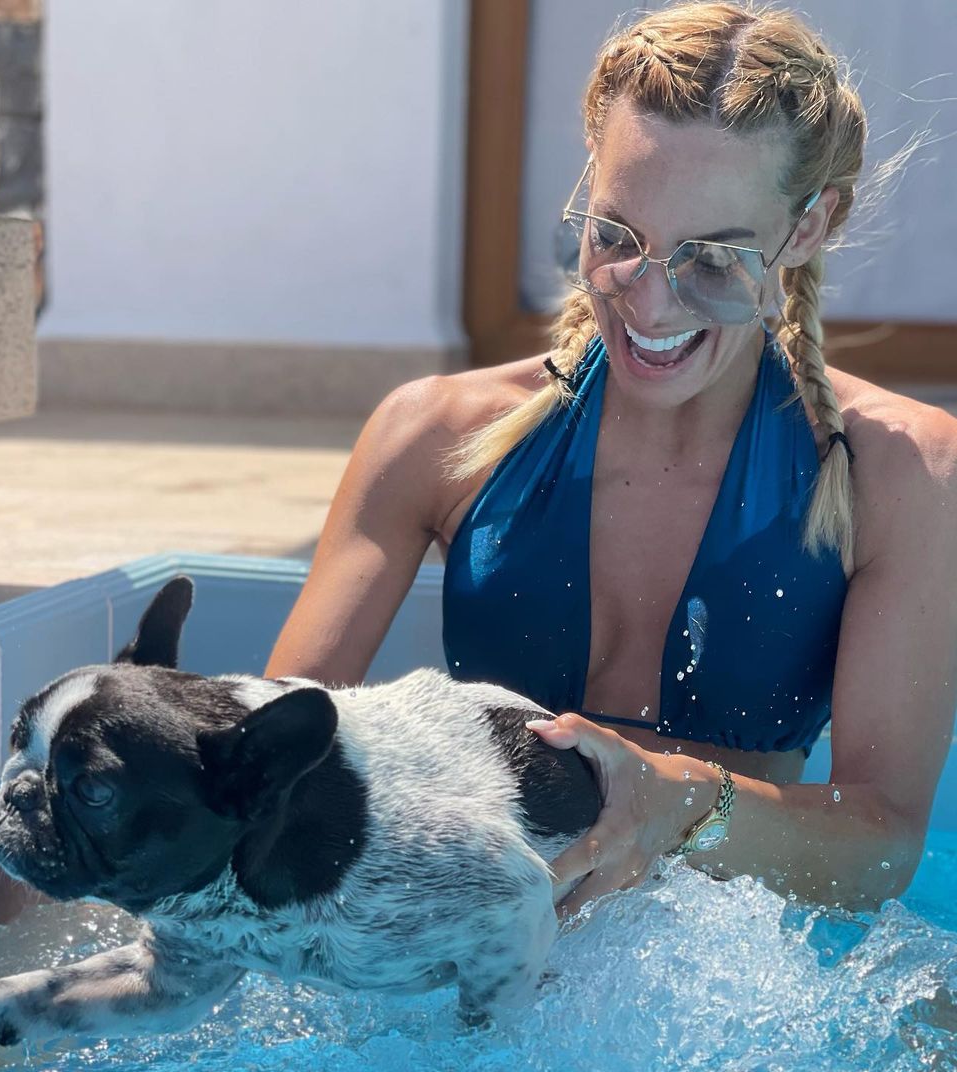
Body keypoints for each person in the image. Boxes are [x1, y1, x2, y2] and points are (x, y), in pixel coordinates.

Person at [263, 0, 957, 915]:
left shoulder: (900, 472)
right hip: (467, 939)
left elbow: (880, 850)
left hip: (717, 970)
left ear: (807, 227)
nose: (649, 305)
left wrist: (679, 805)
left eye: (712, 260)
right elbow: (258, 769)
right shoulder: (435, 435)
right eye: (617, 237)